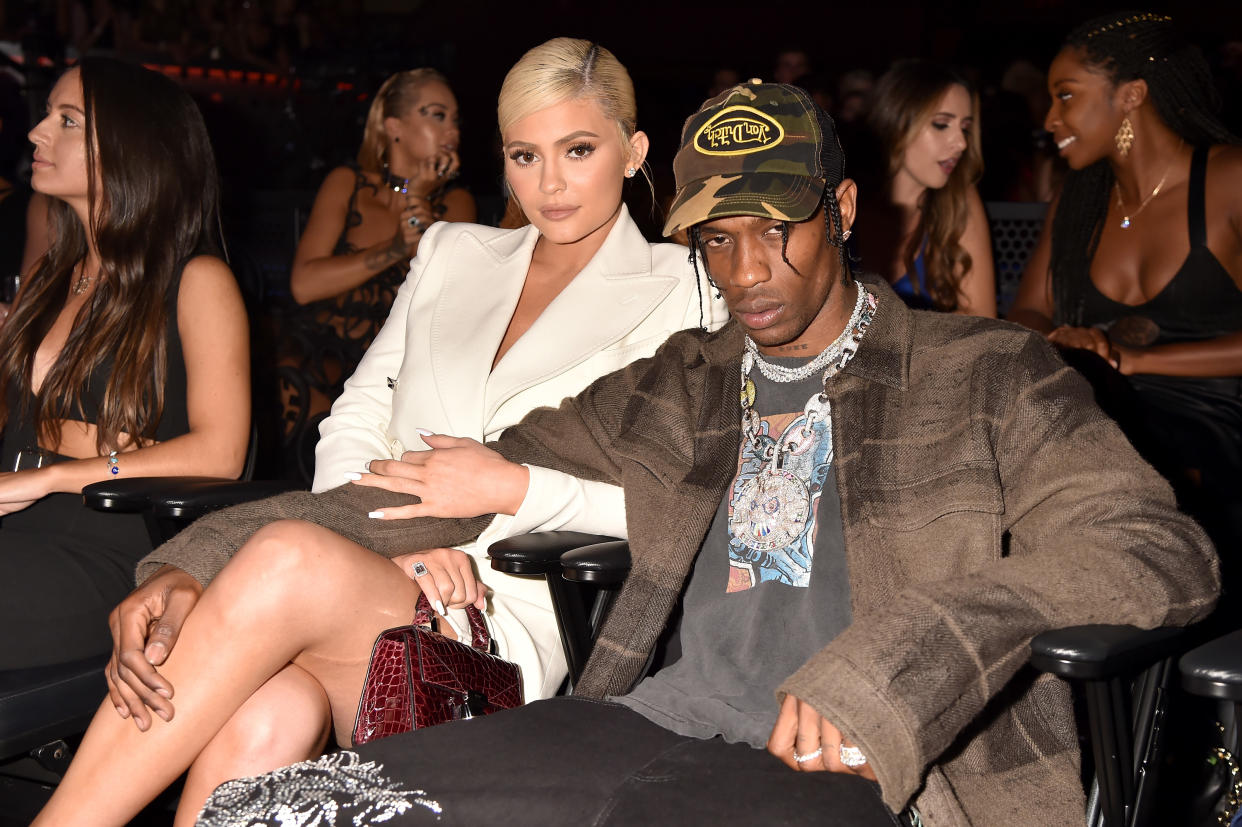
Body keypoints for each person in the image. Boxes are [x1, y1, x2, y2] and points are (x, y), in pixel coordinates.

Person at [91, 80, 1220, 826]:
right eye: (718, 239)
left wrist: (912, 653)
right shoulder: (687, 379)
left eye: (780, 226)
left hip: (878, 768)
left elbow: (1157, 549)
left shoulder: (982, 374)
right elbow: (429, 485)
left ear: (842, 206)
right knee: (293, 807)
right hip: (648, 719)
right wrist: (198, 563)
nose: (747, 269)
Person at [31, 38, 725, 825]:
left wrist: (512, 490)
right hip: (362, 571)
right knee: (271, 708)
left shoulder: (689, 289)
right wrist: (387, 542)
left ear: (634, 151)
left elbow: (693, 503)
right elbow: (355, 416)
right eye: (526, 155)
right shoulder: (454, 250)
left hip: (517, 605)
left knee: (286, 556)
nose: (552, 182)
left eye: (579, 150)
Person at [0, 58, 250, 670]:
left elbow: (222, 456)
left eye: (66, 121)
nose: (36, 132)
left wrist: (49, 479)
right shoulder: (57, 274)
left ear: (128, 147)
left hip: (107, 549)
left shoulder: (197, 281)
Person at [1007, 12, 1242, 572]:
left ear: (1132, 94)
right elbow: (1028, 310)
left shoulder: (1230, 178)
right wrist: (1064, 337)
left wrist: (1130, 359)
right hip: (1100, 407)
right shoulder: (1079, 198)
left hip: (1215, 418)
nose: (1050, 118)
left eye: (1066, 96)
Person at [280, 68, 476, 429]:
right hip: (323, 354)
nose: (453, 130)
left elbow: (452, 303)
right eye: (437, 115)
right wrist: (395, 248)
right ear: (394, 126)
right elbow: (304, 285)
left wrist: (418, 196)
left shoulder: (457, 203)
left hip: (402, 372)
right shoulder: (346, 183)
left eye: (455, 120)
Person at [851, 60, 996, 316]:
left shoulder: (958, 198)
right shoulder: (842, 200)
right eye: (941, 124)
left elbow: (981, 319)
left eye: (965, 128)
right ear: (895, 121)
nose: (961, 143)